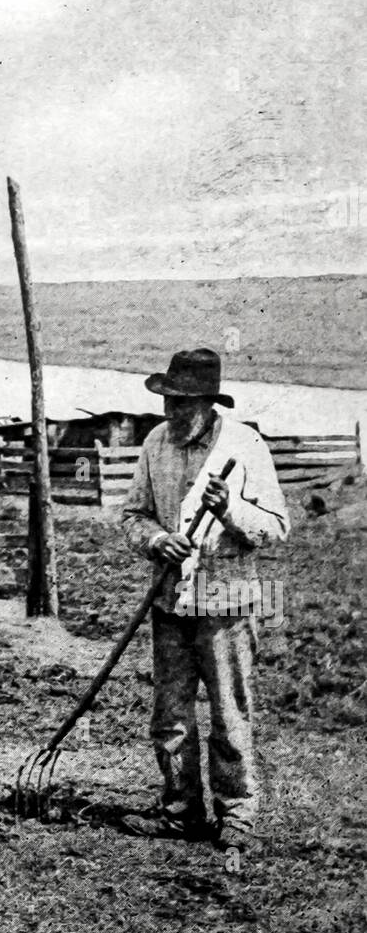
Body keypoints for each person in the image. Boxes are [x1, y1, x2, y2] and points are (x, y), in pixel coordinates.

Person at [120, 348, 290, 850]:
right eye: (166, 402)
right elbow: (133, 516)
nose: (170, 413)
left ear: (207, 403)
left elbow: (277, 529)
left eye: (180, 404)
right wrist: (155, 540)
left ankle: (237, 816)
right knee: (170, 716)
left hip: (227, 599)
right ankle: (180, 813)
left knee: (228, 713)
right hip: (171, 601)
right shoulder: (155, 443)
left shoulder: (245, 445)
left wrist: (231, 509)